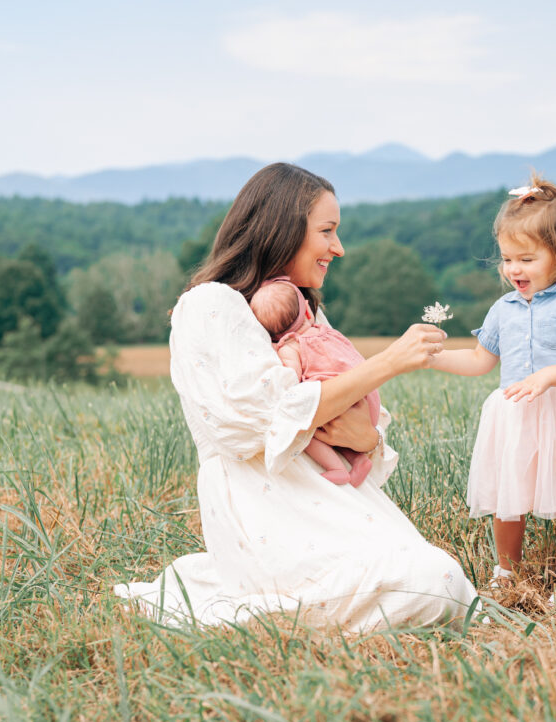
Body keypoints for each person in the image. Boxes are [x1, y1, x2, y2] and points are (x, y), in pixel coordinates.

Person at [114, 163, 477, 631]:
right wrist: (388, 361)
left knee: (445, 583)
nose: (338, 248)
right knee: (433, 582)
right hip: (264, 508)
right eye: (327, 231)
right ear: (282, 229)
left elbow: (358, 422)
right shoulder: (209, 304)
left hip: (330, 500)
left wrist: (365, 438)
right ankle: (255, 618)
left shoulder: (305, 316)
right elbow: (260, 420)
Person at [429, 174, 556, 606]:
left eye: (526, 258)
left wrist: (547, 377)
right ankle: (507, 572)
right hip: (516, 415)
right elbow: (481, 361)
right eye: (506, 259)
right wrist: (432, 357)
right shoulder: (502, 309)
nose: (513, 270)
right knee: (509, 500)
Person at [250, 276, 378, 487]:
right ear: (309, 312)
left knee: (303, 428)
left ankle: (336, 468)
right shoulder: (328, 333)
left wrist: (277, 352)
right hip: (367, 401)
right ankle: (358, 460)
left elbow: (290, 377)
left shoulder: (291, 346)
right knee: (334, 429)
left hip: (341, 404)